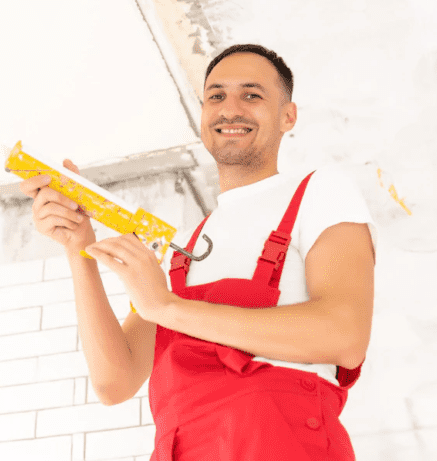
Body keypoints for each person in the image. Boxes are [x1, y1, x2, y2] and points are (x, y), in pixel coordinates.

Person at [20, 44, 377, 460]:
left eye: (252, 94)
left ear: (288, 116)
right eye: (216, 96)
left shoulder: (320, 193)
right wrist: (78, 246)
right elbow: (115, 383)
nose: (231, 108)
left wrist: (166, 307)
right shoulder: (182, 248)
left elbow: (345, 336)